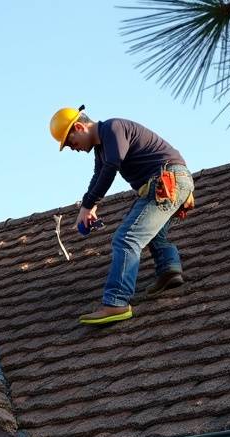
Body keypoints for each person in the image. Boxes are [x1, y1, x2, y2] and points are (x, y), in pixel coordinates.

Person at [50, 106, 195, 326]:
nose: (73, 149)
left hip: (167, 181)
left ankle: (116, 302)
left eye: (70, 143)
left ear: (79, 127)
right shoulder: (102, 146)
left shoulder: (113, 128)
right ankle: (169, 270)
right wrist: (88, 206)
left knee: (126, 239)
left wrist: (89, 204)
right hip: (172, 182)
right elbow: (99, 173)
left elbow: (111, 167)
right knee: (152, 233)